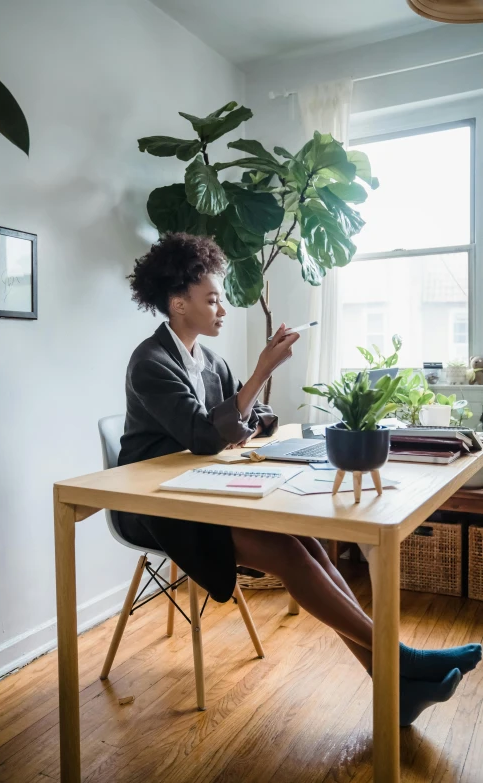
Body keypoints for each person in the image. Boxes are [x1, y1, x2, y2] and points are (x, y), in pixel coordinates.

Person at [118, 232, 481, 727]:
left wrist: (256, 412)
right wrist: (263, 369)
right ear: (178, 304)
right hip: (157, 507)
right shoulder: (151, 363)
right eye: (212, 299)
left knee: (305, 540)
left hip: (201, 488)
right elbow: (203, 435)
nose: (222, 308)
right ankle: (400, 661)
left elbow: (242, 419)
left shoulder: (211, 361)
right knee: (288, 554)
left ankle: (389, 679)